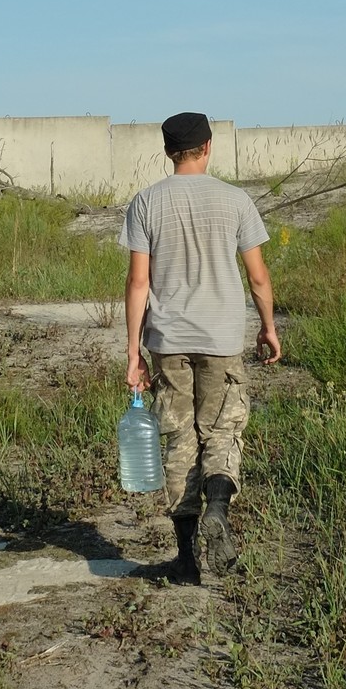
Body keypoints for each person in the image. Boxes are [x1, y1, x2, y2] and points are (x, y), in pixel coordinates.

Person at [122, 111, 281, 583]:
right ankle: (217, 507)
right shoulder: (235, 201)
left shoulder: (146, 203)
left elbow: (137, 282)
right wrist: (268, 327)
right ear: (207, 147)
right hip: (222, 338)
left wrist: (133, 353)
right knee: (223, 429)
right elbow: (257, 276)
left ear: (168, 151)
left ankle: (186, 561)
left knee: (179, 438)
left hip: (168, 341)